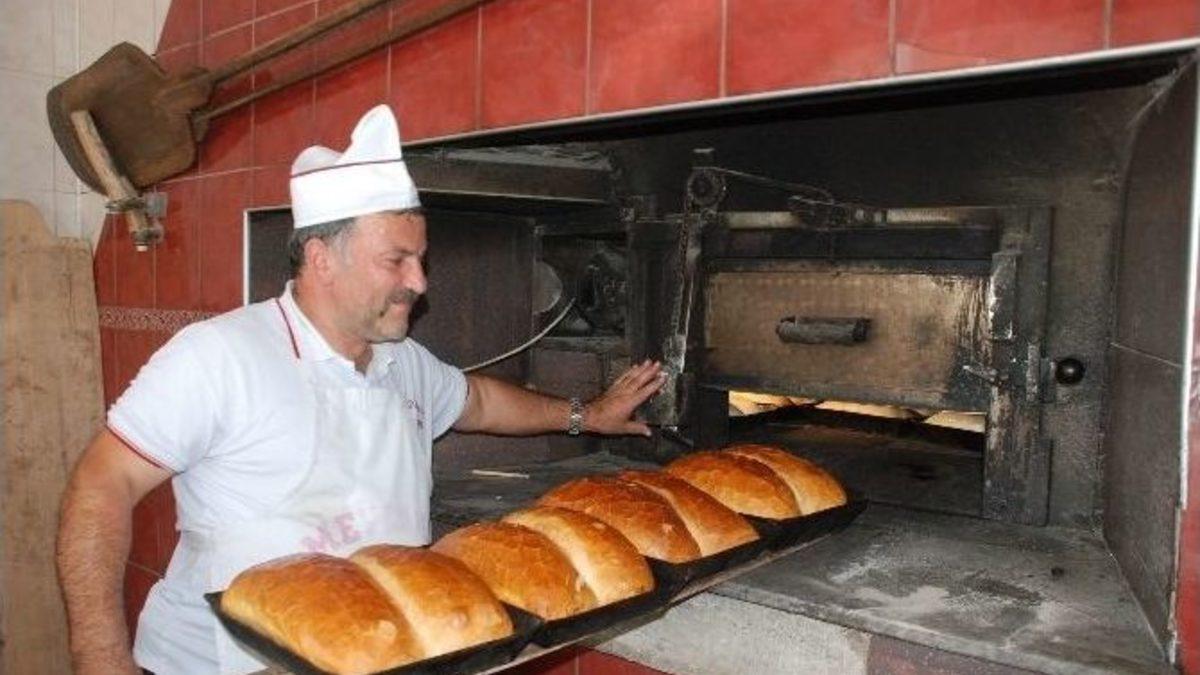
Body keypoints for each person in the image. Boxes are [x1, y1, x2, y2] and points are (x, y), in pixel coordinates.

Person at [56, 105, 665, 675]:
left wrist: (588, 414)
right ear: (321, 257)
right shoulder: (220, 356)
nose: (419, 282)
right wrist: (101, 658)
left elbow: (478, 402)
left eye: (421, 260)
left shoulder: (402, 360)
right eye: (396, 260)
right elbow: (100, 485)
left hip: (365, 648)